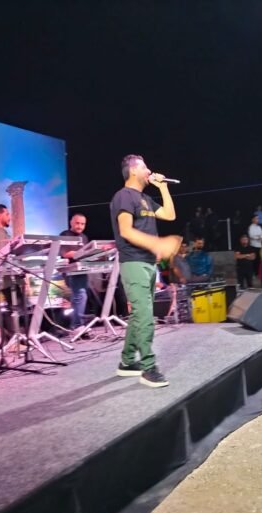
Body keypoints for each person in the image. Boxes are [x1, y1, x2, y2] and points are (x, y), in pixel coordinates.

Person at [110, 154, 181, 388]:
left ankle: (127, 362)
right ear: (133, 171)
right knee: (144, 315)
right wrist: (157, 244)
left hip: (149, 263)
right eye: (145, 167)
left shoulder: (146, 199)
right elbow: (126, 231)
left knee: (138, 315)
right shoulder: (124, 196)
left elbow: (170, 215)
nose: (149, 171)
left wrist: (163, 187)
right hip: (134, 262)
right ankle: (148, 368)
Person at [59, 214, 90, 332]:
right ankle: (77, 325)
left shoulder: (84, 237)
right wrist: (83, 253)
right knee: (80, 295)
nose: (80, 226)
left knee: (80, 296)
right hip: (71, 271)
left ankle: (75, 324)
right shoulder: (65, 235)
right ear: (71, 222)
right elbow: (65, 254)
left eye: (83, 224)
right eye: (77, 223)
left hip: (82, 270)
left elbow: (86, 253)